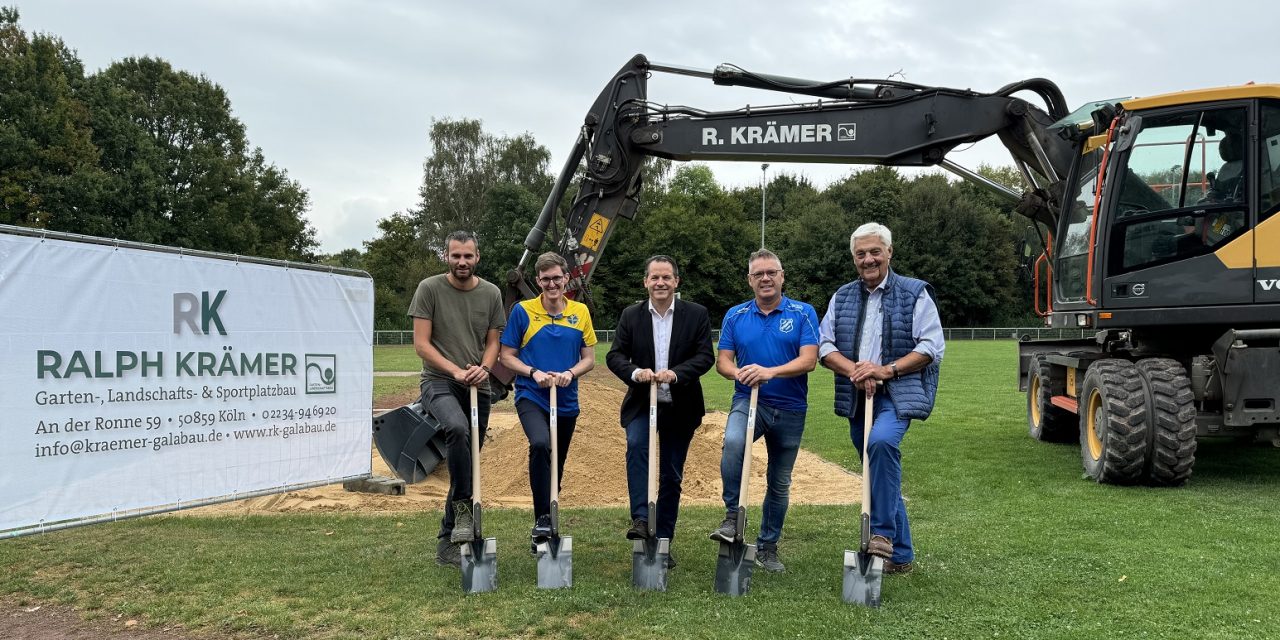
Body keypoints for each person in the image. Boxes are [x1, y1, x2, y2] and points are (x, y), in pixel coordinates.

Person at [818, 222, 944, 576]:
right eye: (861, 254)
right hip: (858, 395)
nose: (868, 259)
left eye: (875, 251)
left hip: (897, 392)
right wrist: (855, 371)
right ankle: (900, 555)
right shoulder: (842, 296)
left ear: (889, 252)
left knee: (883, 443)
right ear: (854, 258)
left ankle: (882, 536)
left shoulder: (915, 293)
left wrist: (885, 371)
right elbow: (825, 345)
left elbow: (931, 346)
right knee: (877, 471)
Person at [708, 248, 819, 574]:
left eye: (771, 272)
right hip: (748, 400)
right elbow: (723, 361)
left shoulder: (802, 313)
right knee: (734, 443)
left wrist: (770, 372)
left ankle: (768, 547)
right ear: (750, 280)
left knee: (779, 481)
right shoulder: (735, 315)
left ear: (782, 276)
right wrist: (737, 372)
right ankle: (732, 517)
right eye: (759, 274)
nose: (766, 278)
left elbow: (809, 360)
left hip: (791, 408)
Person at [606, 255, 715, 570]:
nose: (660, 283)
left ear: (676, 281)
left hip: (681, 405)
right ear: (645, 282)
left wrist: (676, 373)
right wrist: (636, 372)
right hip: (642, 402)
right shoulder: (631, 315)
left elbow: (704, 356)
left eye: (666, 277)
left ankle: (663, 539)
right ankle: (641, 518)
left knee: (670, 474)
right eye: (654, 277)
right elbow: (615, 356)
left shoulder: (696, 314)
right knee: (638, 446)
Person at [407, 230, 506, 568]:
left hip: (478, 386)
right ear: (446, 257)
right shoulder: (429, 289)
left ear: (477, 257)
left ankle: (447, 542)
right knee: (457, 429)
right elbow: (421, 344)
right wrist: (456, 371)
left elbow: (494, 342)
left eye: (468, 256)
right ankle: (464, 510)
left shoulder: (491, 293)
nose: (461, 262)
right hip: (439, 382)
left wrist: (484, 368)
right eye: (455, 256)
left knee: (466, 462)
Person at [498, 251, 596, 552]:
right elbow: (506, 356)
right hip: (532, 395)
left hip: (566, 399)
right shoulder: (522, 311)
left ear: (566, 278)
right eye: (545, 279)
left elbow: (589, 359)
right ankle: (541, 518)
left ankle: (549, 519)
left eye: (557, 278)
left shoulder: (580, 312)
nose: (552, 284)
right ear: (538, 281)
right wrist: (533, 372)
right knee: (540, 444)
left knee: (557, 465)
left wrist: (570, 372)